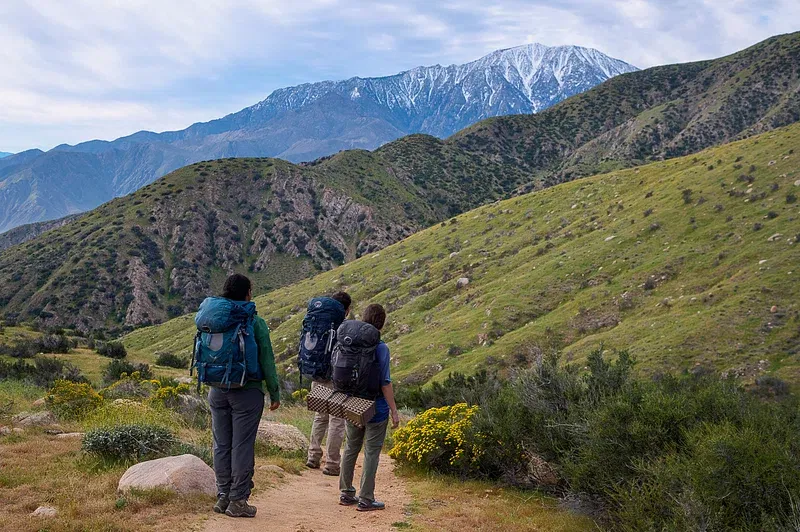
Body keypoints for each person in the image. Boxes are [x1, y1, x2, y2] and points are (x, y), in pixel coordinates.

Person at [207, 274, 280, 518]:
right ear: (247, 293)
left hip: (217, 389)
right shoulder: (254, 322)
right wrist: (275, 392)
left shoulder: (216, 319)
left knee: (221, 445)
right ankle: (238, 500)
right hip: (246, 391)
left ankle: (223, 496)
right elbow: (267, 359)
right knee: (242, 446)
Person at [338, 303, 400, 512]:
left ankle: (346, 493)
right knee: (371, 452)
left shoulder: (349, 343)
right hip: (376, 407)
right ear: (381, 323)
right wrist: (394, 411)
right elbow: (385, 382)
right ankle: (366, 498)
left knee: (350, 448)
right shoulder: (381, 347)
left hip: (352, 403)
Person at [305, 291, 351, 476]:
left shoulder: (319, 321)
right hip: (336, 378)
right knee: (336, 420)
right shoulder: (344, 326)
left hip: (317, 374)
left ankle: (313, 456)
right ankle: (332, 464)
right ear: (346, 310)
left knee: (320, 416)